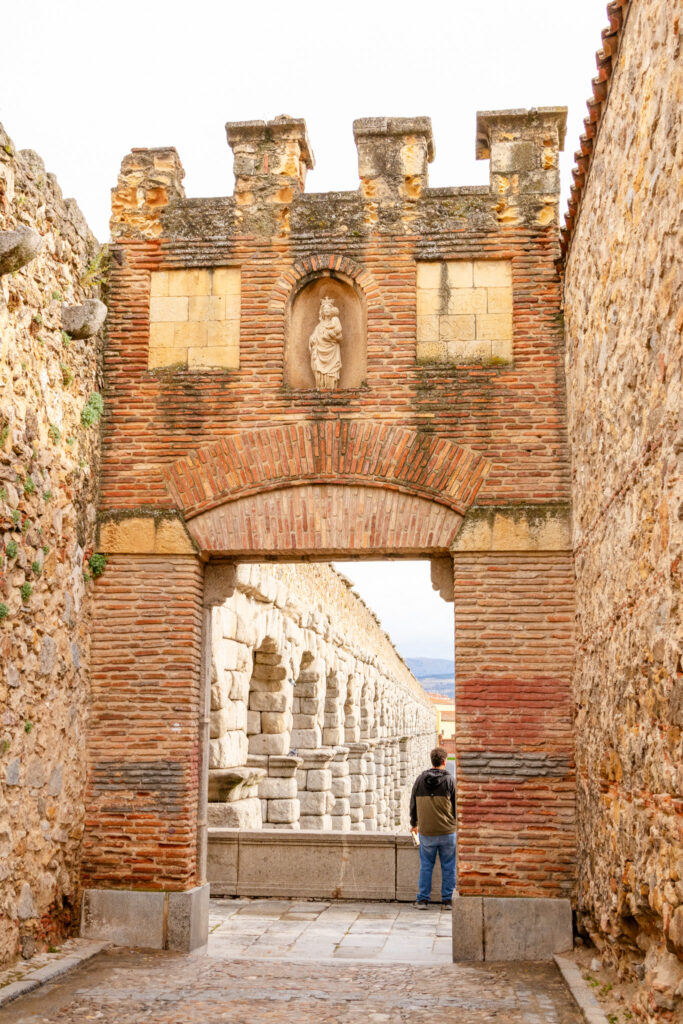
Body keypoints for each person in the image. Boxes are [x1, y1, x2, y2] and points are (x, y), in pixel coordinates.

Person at [409, 746, 456, 908]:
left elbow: (413, 805)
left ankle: (422, 899)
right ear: (444, 761)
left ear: (432, 761)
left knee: (426, 866)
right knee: (449, 866)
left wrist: (414, 824)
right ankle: (448, 899)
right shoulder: (450, 781)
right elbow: (457, 807)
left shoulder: (420, 780)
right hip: (448, 831)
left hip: (427, 831)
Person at [309, 296, 343, 389]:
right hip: (320, 352)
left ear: (332, 310)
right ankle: (320, 386)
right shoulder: (319, 326)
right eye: (325, 309)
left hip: (332, 352)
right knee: (318, 371)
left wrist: (331, 336)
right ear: (322, 312)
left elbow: (340, 337)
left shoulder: (335, 322)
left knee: (331, 374)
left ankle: (331, 386)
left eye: (329, 308)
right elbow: (314, 337)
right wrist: (312, 339)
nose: (327, 310)